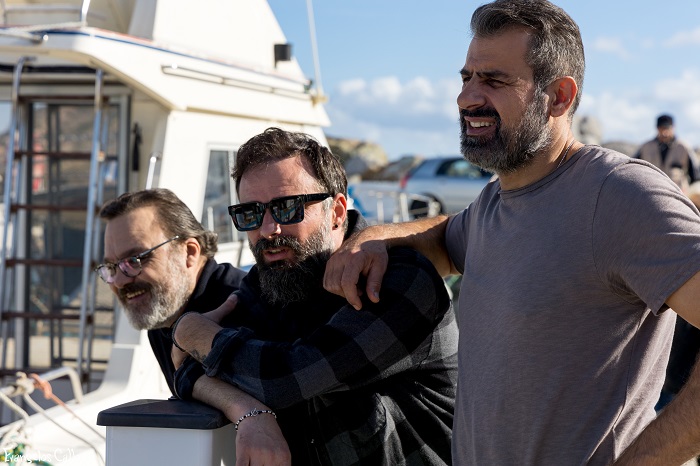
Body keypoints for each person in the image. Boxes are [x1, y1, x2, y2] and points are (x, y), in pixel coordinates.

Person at [322, 1, 700, 465]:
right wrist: (377, 237)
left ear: (558, 97)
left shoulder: (621, 195)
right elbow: (446, 237)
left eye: (494, 81)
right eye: (466, 78)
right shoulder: (494, 202)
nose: (466, 98)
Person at [170, 127, 458, 465]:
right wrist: (247, 410)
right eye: (251, 214)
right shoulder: (268, 283)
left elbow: (290, 378)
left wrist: (196, 335)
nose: (268, 230)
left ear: (336, 212)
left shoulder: (399, 278)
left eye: (287, 208)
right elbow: (187, 370)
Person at [96, 188, 247, 394]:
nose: (120, 282)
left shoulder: (248, 307)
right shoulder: (163, 317)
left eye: (135, 260)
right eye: (111, 267)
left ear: (189, 252)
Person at [634, 114, 699, 191]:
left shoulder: (684, 148)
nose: (664, 133)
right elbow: (633, 168)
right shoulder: (645, 147)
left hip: (677, 193)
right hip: (650, 192)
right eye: (661, 128)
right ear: (657, 128)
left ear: (673, 128)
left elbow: (696, 176)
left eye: (667, 128)